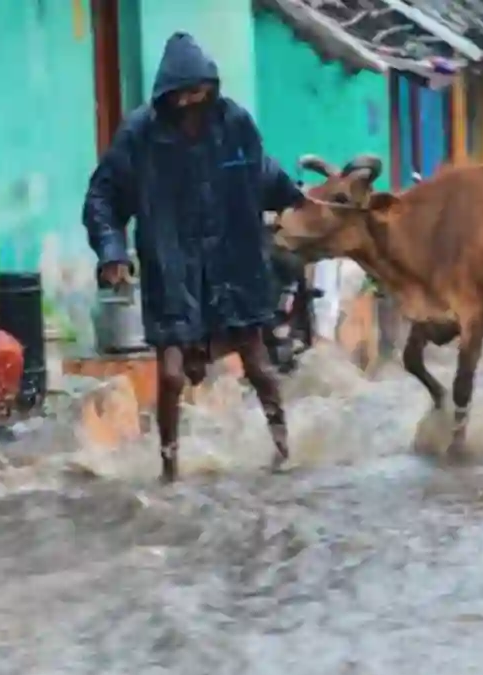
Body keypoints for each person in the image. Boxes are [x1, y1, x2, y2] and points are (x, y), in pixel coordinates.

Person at [83, 32, 306, 483]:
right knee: (169, 375)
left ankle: (285, 452)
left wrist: (302, 204)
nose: (191, 103)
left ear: (211, 88)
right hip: (173, 269)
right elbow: (103, 198)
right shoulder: (139, 136)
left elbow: (264, 172)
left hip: (234, 265)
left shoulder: (235, 124)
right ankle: (169, 467)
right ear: (167, 95)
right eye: (181, 95)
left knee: (259, 365)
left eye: (198, 92)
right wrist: (112, 252)